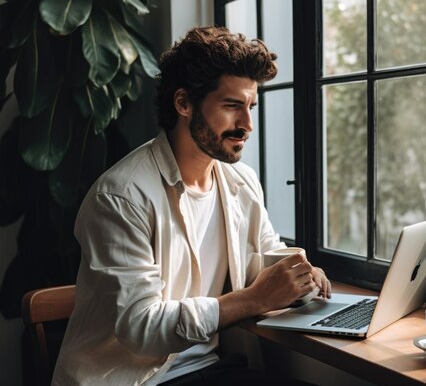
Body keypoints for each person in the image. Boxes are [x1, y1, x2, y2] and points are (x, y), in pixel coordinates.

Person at [51, 26, 331, 386]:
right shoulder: (120, 197)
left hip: (209, 368)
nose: (246, 124)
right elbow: (141, 328)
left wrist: (301, 274)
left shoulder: (241, 182)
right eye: (232, 106)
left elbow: (264, 257)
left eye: (250, 107)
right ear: (183, 103)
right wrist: (252, 299)